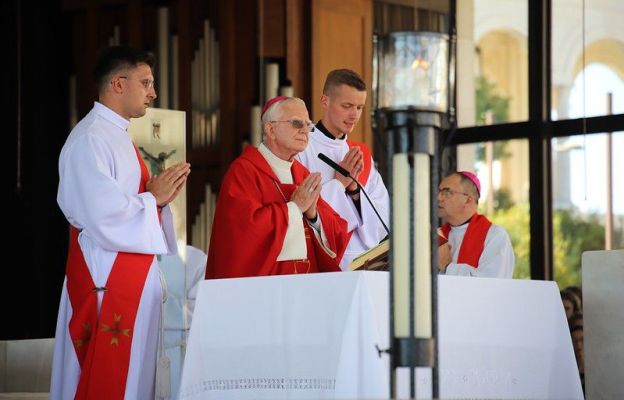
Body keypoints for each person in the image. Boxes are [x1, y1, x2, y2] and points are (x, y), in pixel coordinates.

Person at [51, 46, 191, 400]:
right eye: (145, 83)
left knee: (133, 381)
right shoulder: (90, 138)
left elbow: (126, 205)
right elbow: (101, 215)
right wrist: (152, 199)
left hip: (127, 276)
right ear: (118, 83)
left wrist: (156, 201)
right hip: (106, 278)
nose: (153, 93)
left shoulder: (117, 135)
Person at [206, 96, 349, 278]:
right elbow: (243, 236)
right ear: (271, 129)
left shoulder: (302, 174)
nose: (305, 131)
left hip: (305, 287)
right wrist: (295, 209)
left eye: (308, 125)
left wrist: (313, 216)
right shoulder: (244, 171)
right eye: (297, 124)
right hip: (264, 291)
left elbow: (338, 234)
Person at [296, 69, 389, 269]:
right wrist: (339, 184)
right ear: (325, 101)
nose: (354, 115)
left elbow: (382, 217)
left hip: (364, 261)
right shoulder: (302, 147)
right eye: (347, 106)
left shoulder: (360, 154)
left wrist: (355, 192)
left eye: (360, 107)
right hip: (321, 259)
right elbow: (297, 207)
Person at [437, 171, 514, 278]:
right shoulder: (438, 235)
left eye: (447, 192)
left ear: (468, 200)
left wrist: (447, 266)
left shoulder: (494, 236)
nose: (439, 198)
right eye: (439, 192)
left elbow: (491, 286)